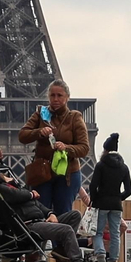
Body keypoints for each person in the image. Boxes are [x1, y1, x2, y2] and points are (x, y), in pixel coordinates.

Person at [0, 169, 97, 262]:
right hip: (30, 225)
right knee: (67, 230)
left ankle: (60, 249)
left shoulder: (24, 193)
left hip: (42, 221)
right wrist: (30, 194)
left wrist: (51, 213)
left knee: (75, 215)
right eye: (8, 177)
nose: (13, 179)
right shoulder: (3, 191)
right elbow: (15, 195)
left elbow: (39, 206)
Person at [17, 80, 89, 223]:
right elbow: (22, 135)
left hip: (67, 175)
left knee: (63, 214)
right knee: (40, 213)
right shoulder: (40, 113)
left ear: (67, 97)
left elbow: (84, 148)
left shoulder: (75, 117)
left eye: (59, 96)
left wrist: (66, 148)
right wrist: (39, 132)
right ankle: (43, 245)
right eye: (52, 95)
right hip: (43, 173)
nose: (55, 99)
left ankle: (61, 245)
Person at [86, 133, 131, 262]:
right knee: (115, 234)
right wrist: (118, 198)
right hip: (116, 205)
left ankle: (101, 257)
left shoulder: (101, 165)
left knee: (98, 232)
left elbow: (92, 186)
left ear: (105, 150)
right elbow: (129, 190)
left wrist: (94, 199)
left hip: (101, 204)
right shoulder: (124, 167)